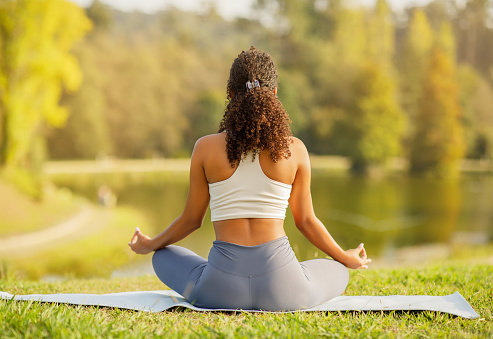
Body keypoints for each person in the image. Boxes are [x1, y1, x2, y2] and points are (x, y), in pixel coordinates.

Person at [128, 46, 371, 311]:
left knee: (162, 256)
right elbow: (306, 222)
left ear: (230, 95)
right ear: (275, 94)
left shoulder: (205, 148)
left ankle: (200, 277)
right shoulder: (296, 150)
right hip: (284, 291)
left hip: (218, 292)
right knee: (338, 269)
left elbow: (191, 220)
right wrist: (344, 257)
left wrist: (151, 244)